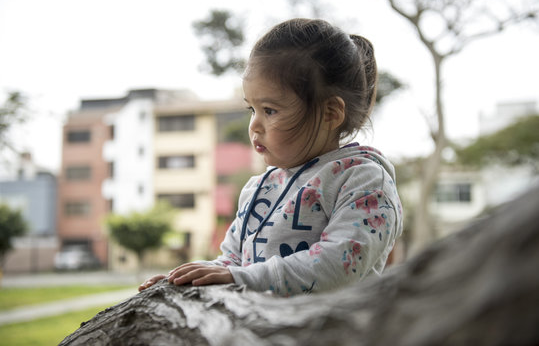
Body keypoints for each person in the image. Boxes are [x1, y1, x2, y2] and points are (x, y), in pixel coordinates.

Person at [139, 18, 403, 296]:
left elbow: (338, 267)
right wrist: (187, 278)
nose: (254, 125)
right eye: (251, 109)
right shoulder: (258, 189)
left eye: (270, 110)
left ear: (330, 113)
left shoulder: (364, 182)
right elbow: (233, 263)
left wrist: (238, 276)